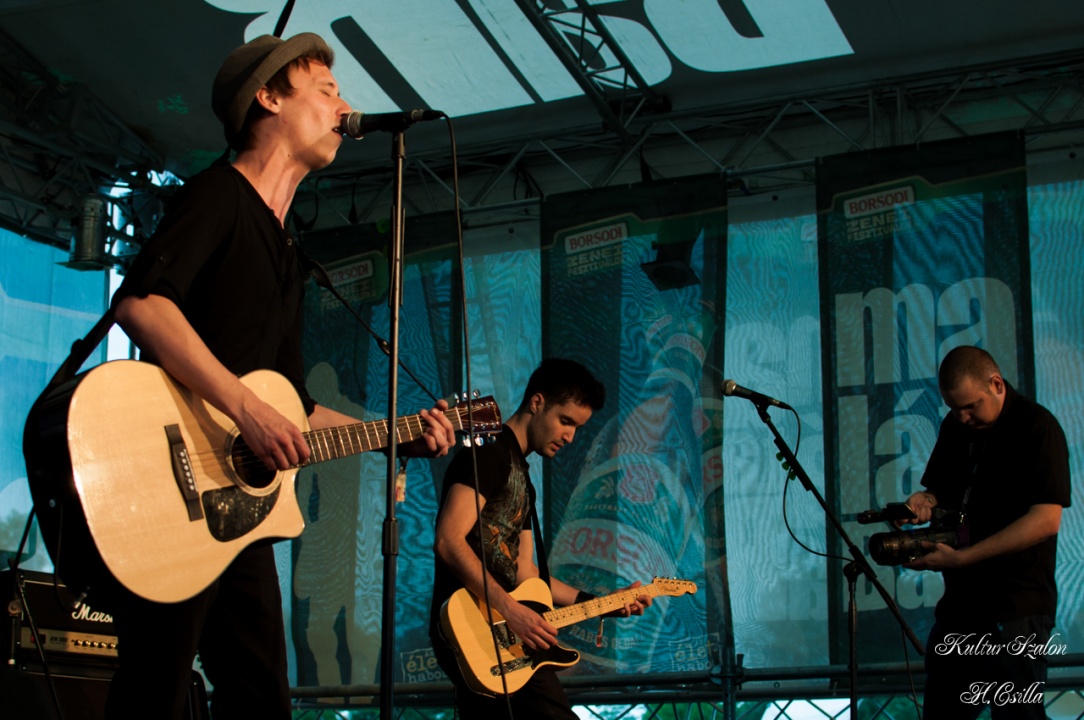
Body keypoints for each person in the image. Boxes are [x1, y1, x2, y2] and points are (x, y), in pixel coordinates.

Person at [106, 33, 456, 719]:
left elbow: (292, 407)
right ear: (268, 97)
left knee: (261, 699)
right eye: (327, 91)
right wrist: (246, 407)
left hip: (237, 512)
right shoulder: (219, 195)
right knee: (155, 688)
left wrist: (392, 436)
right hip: (172, 491)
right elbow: (142, 304)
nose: (345, 107)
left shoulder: (288, 252)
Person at [429, 358, 653, 719]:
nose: (570, 437)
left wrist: (602, 603)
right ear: (537, 402)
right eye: (565, 421)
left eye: (577, 427)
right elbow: (448, 540)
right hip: (473, 626)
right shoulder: (488, 451)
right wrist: (511, 610)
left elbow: (528, 575)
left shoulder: (523, 479)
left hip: (506, 632)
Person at [897, 346, 1070, 720]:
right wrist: (924, 500)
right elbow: (940, 491)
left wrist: (963, 558)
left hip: (1016, 606)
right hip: (961, 606)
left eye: (971, 406)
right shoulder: (955, 426)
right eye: (953, 408)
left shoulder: (1037, 427)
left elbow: (1045, 520)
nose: (962, 417)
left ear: (996, 384)